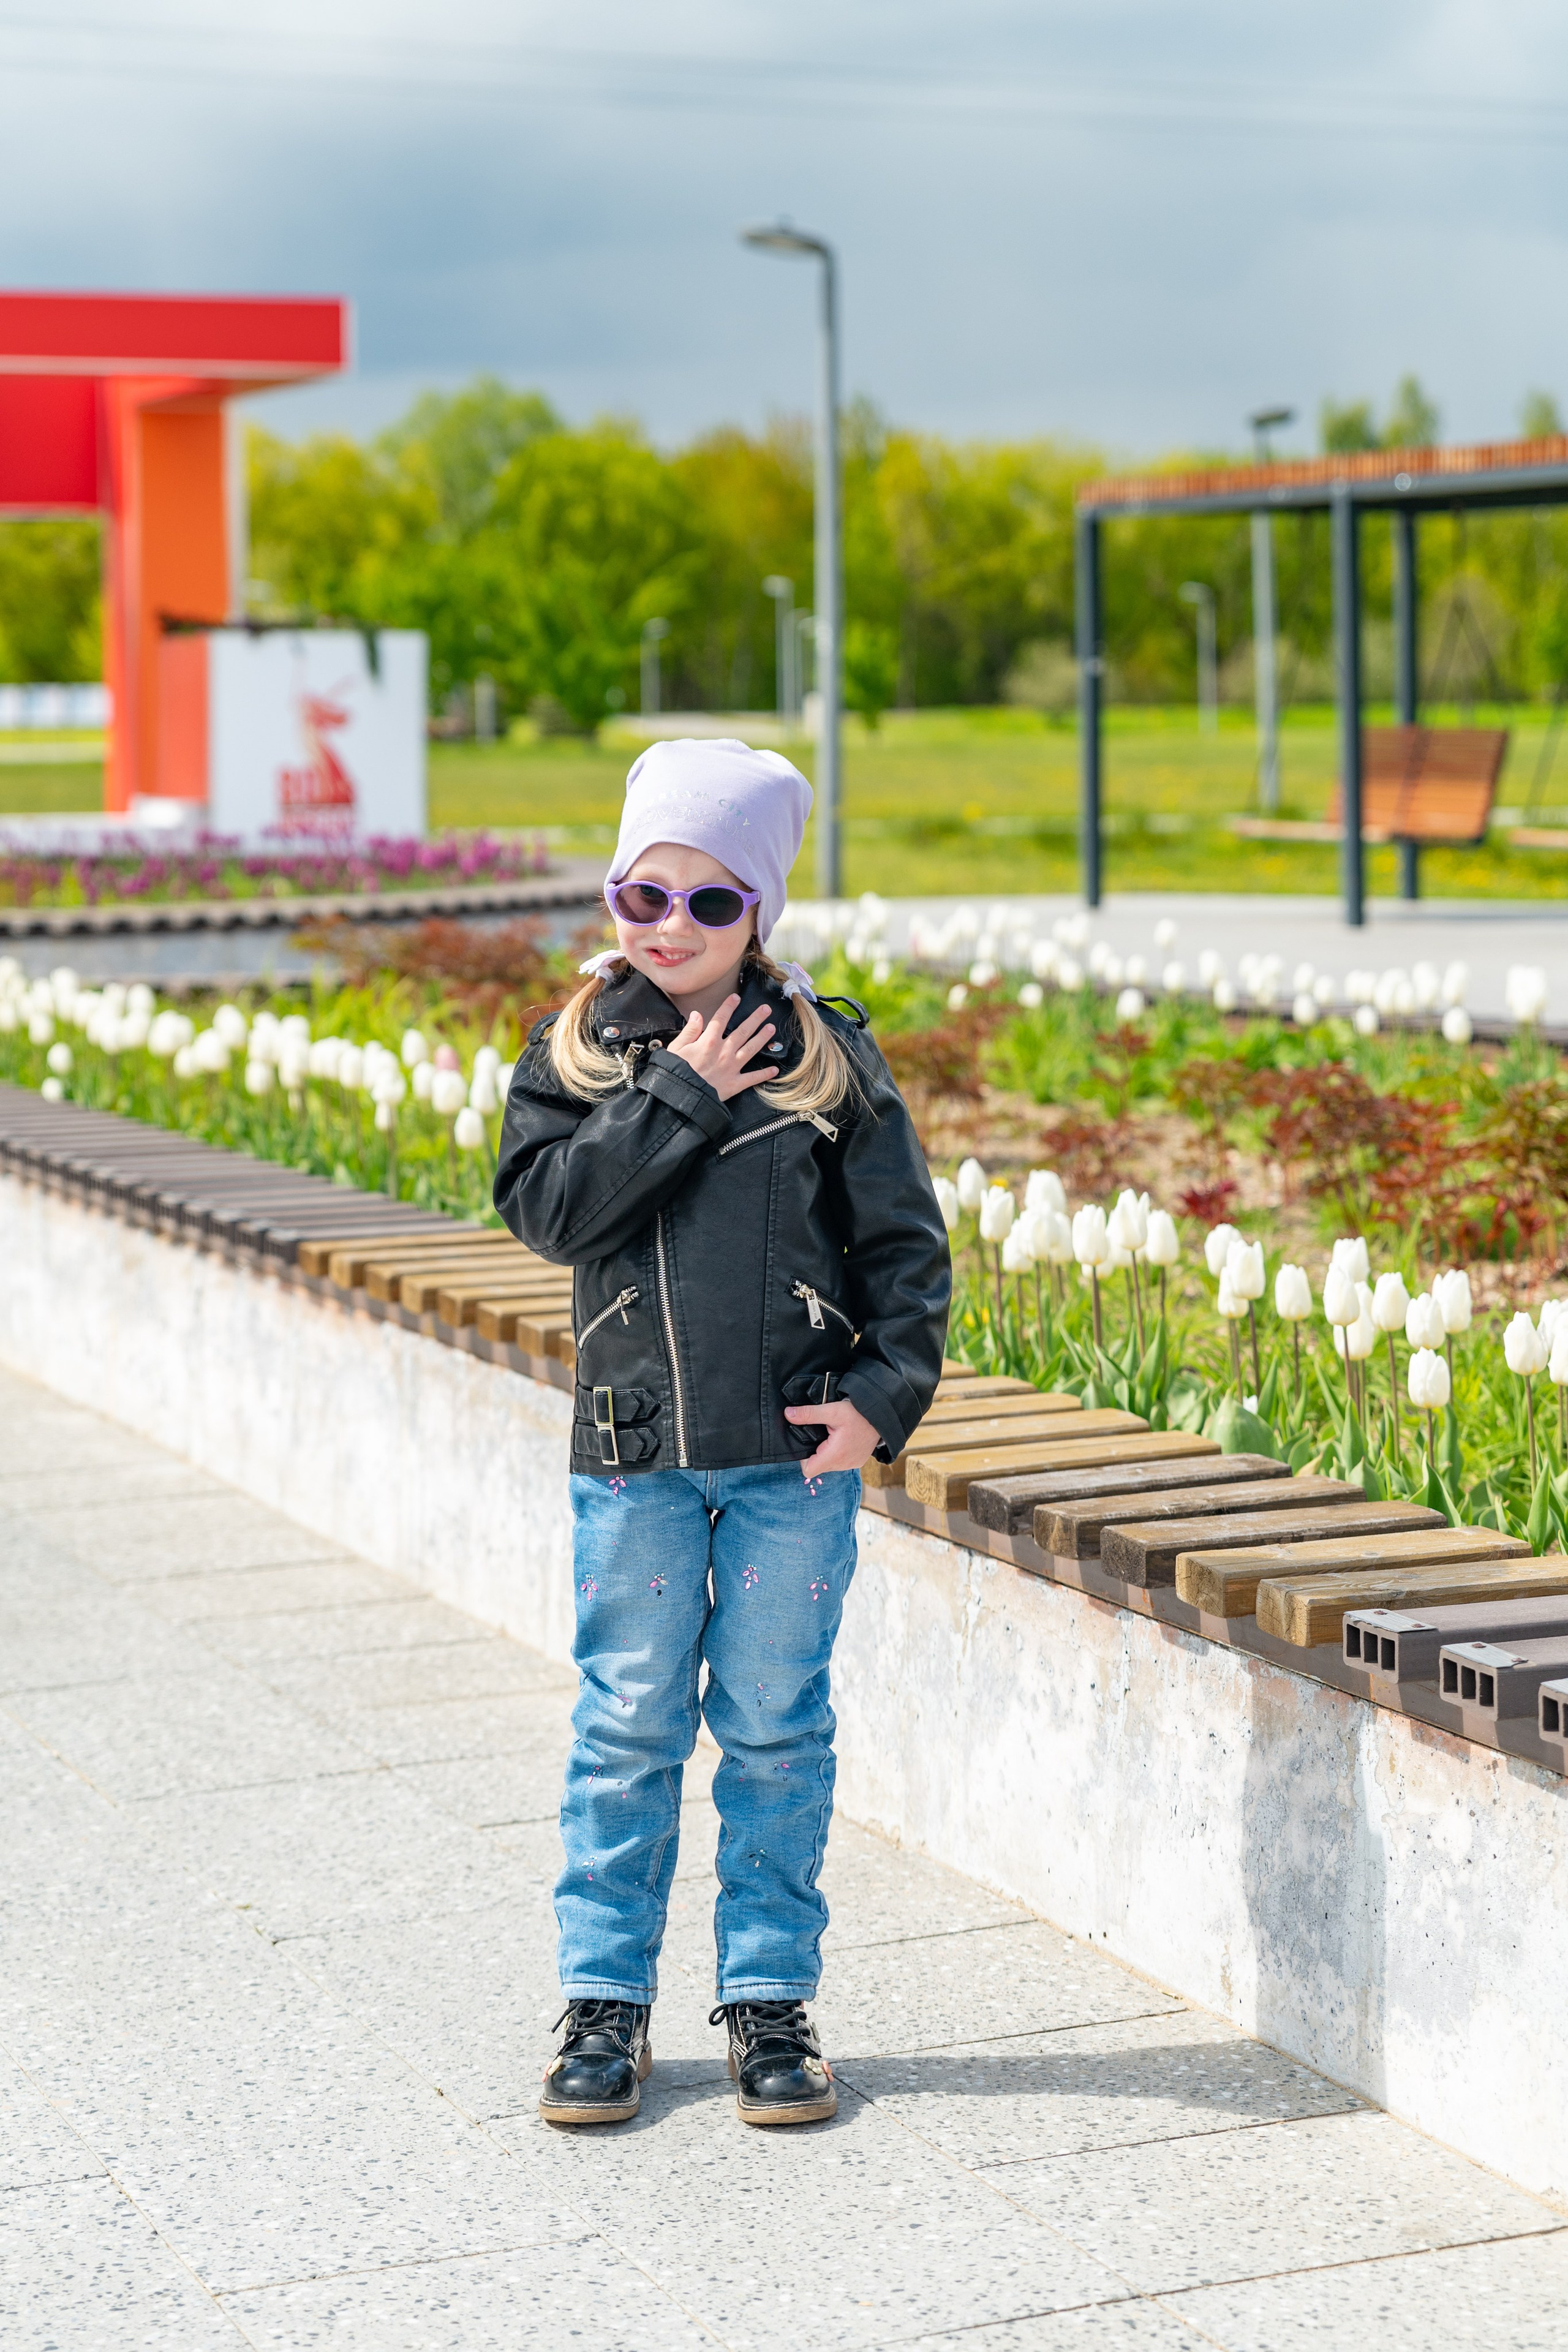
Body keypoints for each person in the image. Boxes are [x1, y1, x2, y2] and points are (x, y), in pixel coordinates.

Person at [494, 736, 950, 2129]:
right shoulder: (579, 1054)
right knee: (627, 1726)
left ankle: (768, 2001)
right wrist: (676, 1096)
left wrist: (881, 1399)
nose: (672, 927)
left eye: (709, 900)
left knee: (772, 1730)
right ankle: (603, 2003)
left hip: (787, 1469)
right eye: (645, 895)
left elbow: (904, 1251)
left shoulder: (827, 1060)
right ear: (614, 899)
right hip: (633, 1458)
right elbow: (551, 1213)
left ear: (759, 912)